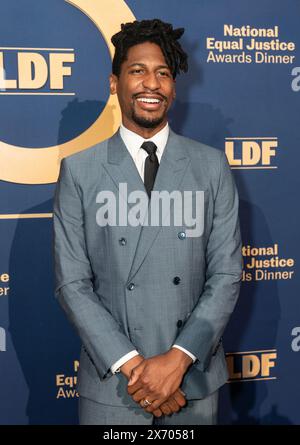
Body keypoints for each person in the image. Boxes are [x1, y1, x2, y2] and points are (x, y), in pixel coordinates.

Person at [53, 18, 242, 425]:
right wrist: (137, 370)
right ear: (114, 83)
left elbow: (226, 275)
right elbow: (72, 283)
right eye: (137, 70)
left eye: (163, 73)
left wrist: (176, 362)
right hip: (115, 389)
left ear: (174, 86)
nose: (151, 84)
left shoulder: (211, 167)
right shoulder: (80, 171)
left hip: (191, 382)